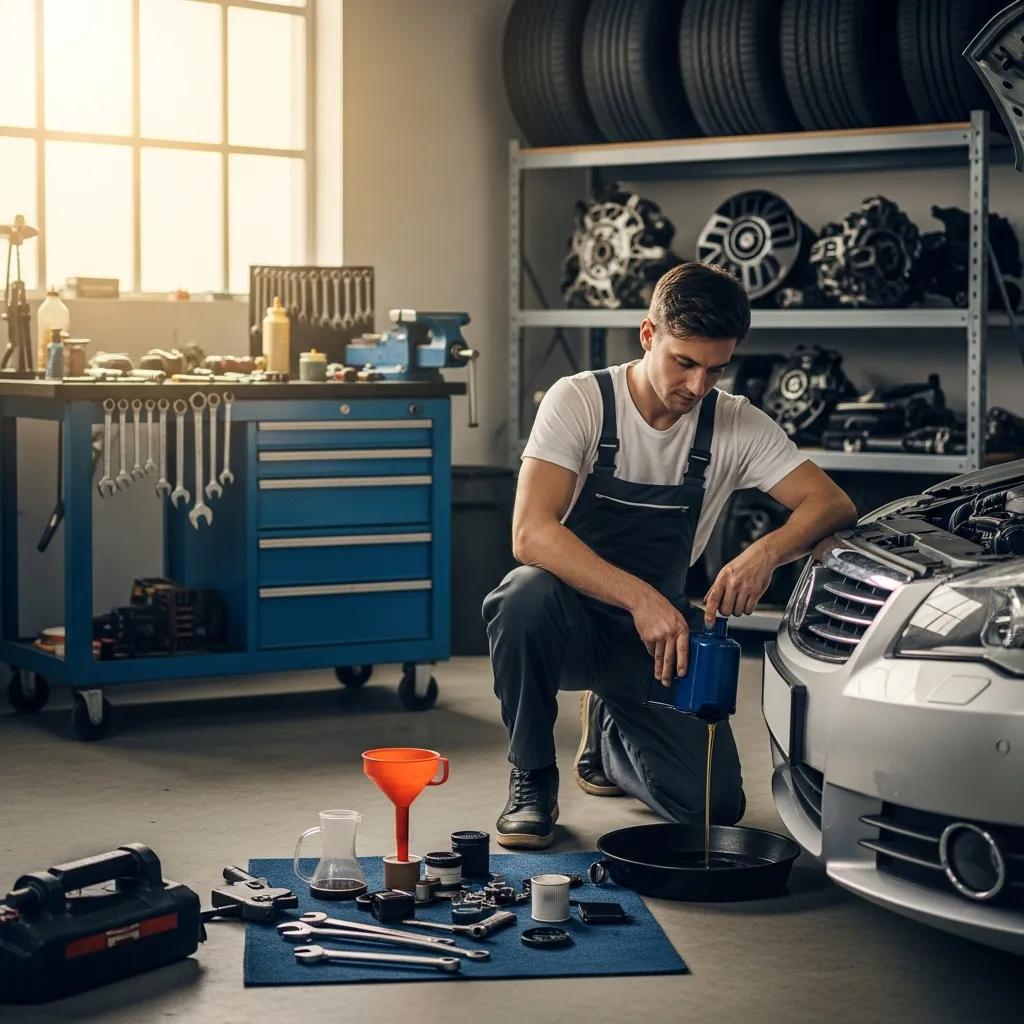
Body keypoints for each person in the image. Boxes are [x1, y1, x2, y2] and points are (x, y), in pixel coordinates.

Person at [483, 261, 857, 849]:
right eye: (684, 362)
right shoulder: (582, 401)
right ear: (648, 334)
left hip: (657, 645)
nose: (698, 386)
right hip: (570, 624)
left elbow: (831, 504)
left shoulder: (734, 422)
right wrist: (641, 599)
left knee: (715, 808)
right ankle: (532, 776)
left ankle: (609, 739)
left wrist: (765, 554)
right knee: (521, 595)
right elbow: (530, 533)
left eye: (716, 368)